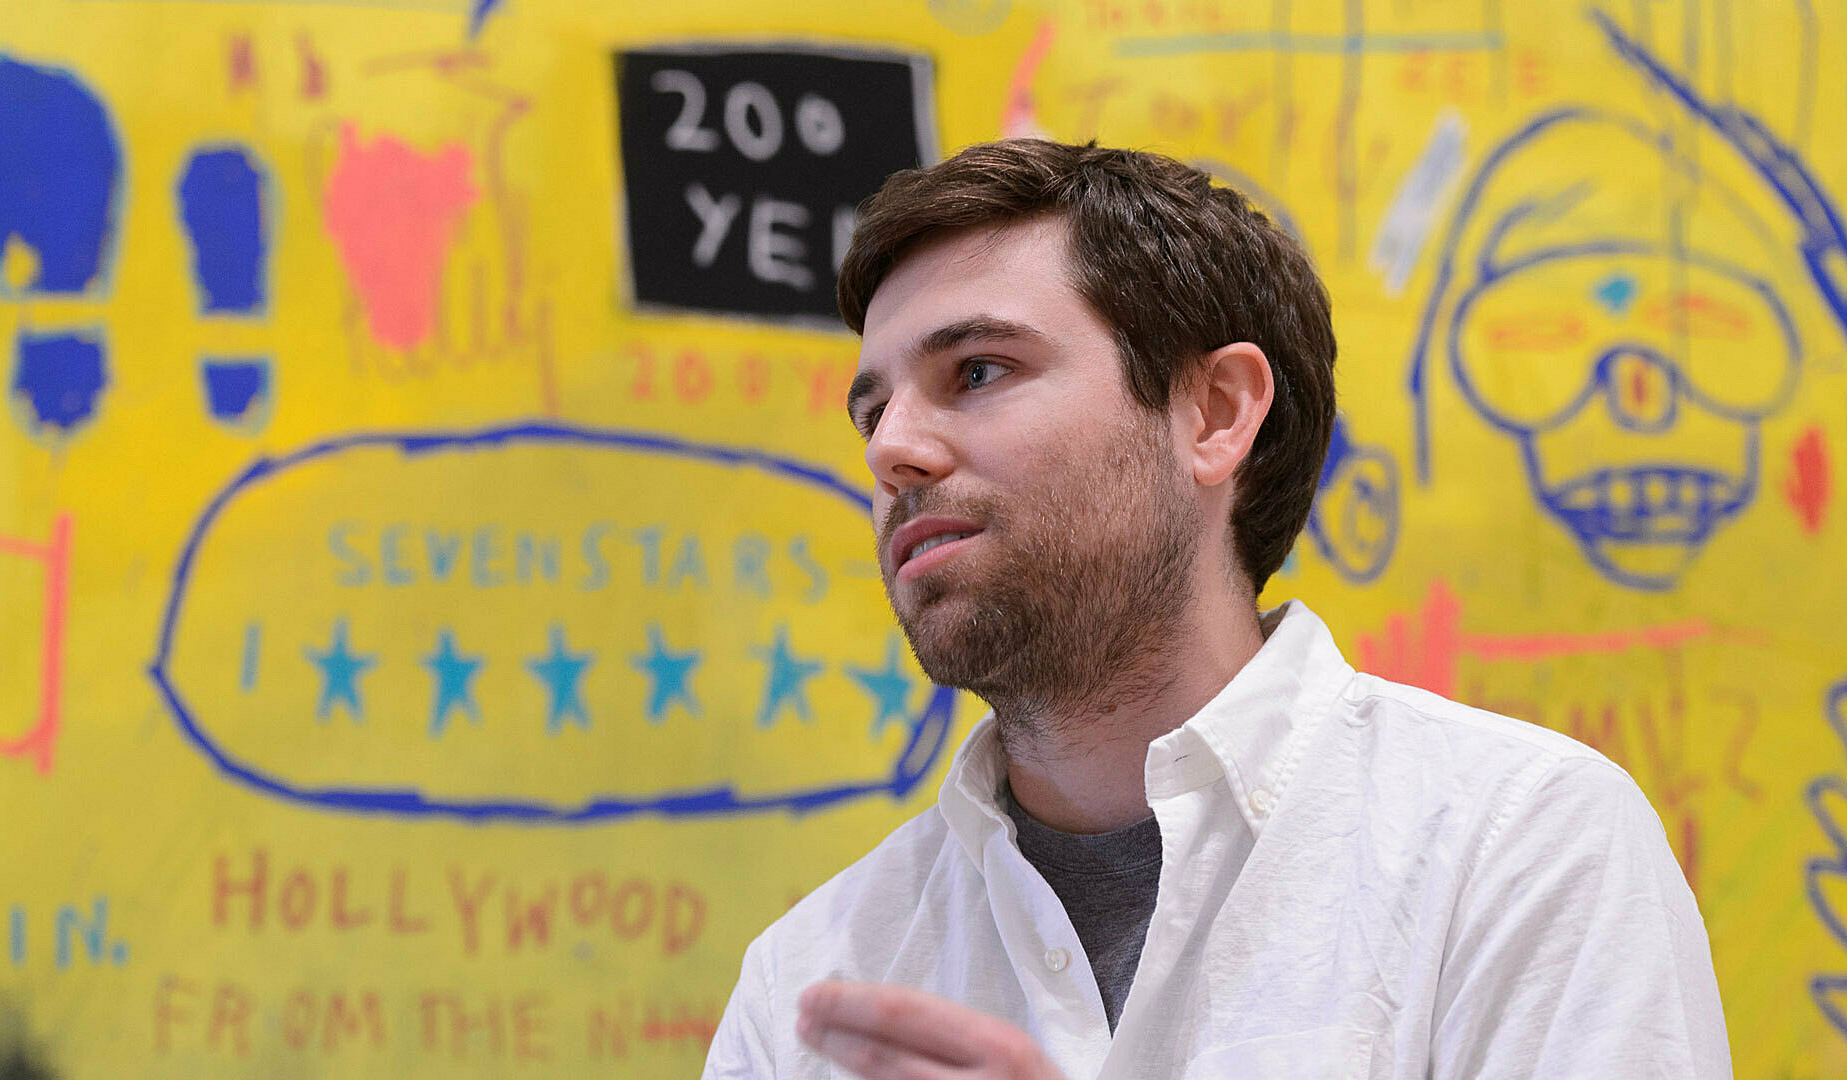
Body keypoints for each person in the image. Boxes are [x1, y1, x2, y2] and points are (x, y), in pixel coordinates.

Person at [701, 139, 1729, 1079]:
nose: (892, 450)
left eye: (976, 371)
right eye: (874, 409)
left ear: (1217, 413)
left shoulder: (1515, 850)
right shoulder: (812, 979)